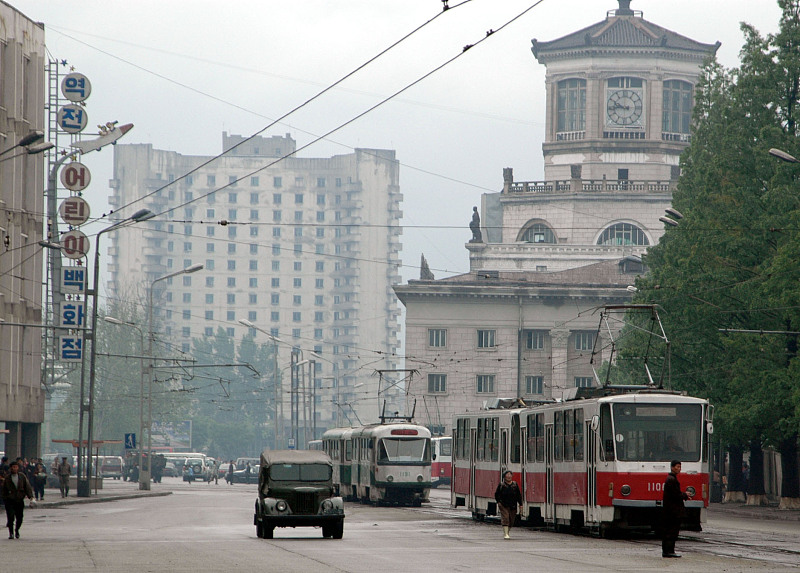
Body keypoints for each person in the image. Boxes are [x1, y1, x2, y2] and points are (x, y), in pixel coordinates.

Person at [662, 460, 689, 558]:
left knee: (669, 531)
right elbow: (675, 495)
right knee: (672, 531)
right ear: (672, 467)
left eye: (680, 467)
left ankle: (667, 551)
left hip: (670, 510)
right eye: (677, 467)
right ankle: (669, 551)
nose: (679, 469)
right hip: (673, 511)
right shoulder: (671, 480)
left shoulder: (671, 478)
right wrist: (685, 495)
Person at [2, 460, 34, 539]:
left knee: (19, 517)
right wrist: (5, 498)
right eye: (13, 467)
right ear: (10, 468)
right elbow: (3, 490)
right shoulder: (7, 478)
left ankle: (17, 530)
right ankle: (11, 533)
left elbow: (27, 487)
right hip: (10, 501)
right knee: (10, 517)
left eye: (16, 467)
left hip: (19, 500)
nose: (14, 469)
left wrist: (31, 497)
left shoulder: (22, 476)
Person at [494, 470, 522, 540]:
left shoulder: (515, 485)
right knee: (505, 517)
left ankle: (507, 532)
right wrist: (499, 502)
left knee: (511, 520)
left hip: (513, 505)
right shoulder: (501, 485)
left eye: (510, 475)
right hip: (503, 504)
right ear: (504, 476)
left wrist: (520, 504)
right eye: (507, 475)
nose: (509, 476)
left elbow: (518, 495)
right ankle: (506, 534)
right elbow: (496, 494)